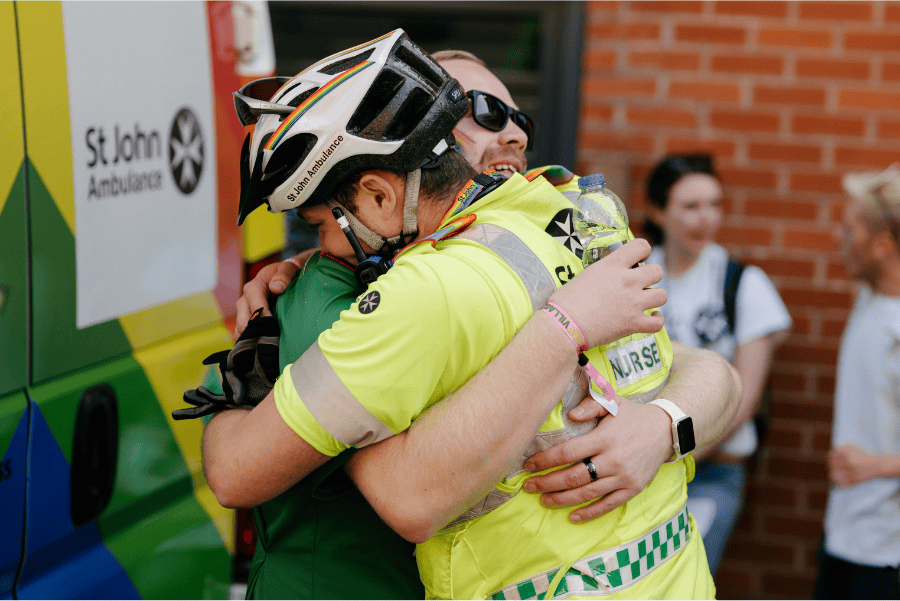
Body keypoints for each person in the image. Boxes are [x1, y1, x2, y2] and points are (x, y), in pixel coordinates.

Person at [205, 36, 739, 599]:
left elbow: (247, 474)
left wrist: (661, 425)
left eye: (322, 225)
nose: (514, 131)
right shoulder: (583, 220)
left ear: (380, 196)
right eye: (477, 110)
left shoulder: (427, 286)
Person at [643, 154, 791, 575]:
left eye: (715, 204)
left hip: (708, 473)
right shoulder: (633, 273)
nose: (705, 218)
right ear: (658, 211)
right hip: (640, 470)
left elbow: (742, 397)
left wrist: (668, 459)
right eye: (690, 206)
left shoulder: (743, 282)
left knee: (683, 582)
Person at [813, 164, 900, 600]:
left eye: (850, 231)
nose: (840, 241)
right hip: (845, 537)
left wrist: (876, 466)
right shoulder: (871, 297)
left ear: (882, 246)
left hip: (888, 557)